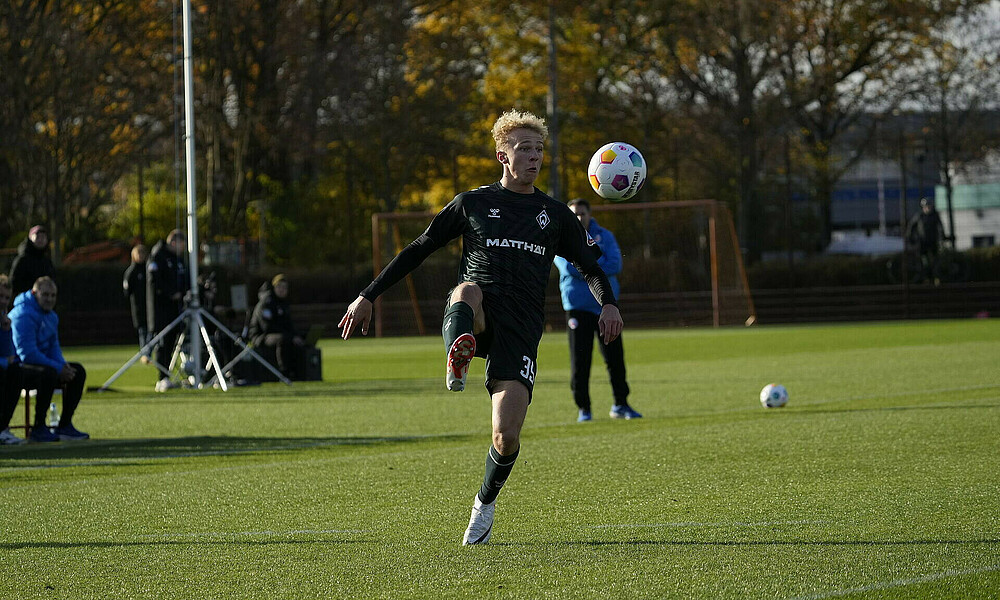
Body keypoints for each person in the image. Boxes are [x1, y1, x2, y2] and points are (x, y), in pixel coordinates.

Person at [338, 109, 623, 545]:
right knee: (466, 290)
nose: (534, 157)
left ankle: (484, 505)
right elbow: (418, 249)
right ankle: (458, 357)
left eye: (539, 149)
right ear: (501, 155)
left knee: (506, 436)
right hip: (481, 309)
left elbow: (592, 270)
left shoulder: (553, 214)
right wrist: (368, 295)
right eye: (524, 148)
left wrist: (608, 306)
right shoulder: (472, 202)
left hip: (522, 328)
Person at [554, 199, 640, 422]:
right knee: (580, 361)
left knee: (615, 359)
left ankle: (621, 404)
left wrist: (588, 266)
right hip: (578, 308)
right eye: (575, 214)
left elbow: (616, 264)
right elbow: (567, 267)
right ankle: (584, 408)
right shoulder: (561, 236)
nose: (579, 218)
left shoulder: (606, 236)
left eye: (582, 213)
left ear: (590, 214)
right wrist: (594, 266)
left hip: (606, 308)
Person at [9, 277, 88, 442]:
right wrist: (57, 368)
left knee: (77, 371)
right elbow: (27, 354)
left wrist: (63, 365)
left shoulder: (51, 316)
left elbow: (54, 347)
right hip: (17, 368)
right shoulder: (23, 314)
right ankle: (39, 427)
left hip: (42, 365)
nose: (50, 299)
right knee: (49, 373)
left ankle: (64, 425)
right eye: (45, 295)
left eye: (53, 295)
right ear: (34, 293)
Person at [147, 229, 189, 392]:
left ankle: (167, 375)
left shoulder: (176, 259)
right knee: (163, 344)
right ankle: (162, 378)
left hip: (175, 311)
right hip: (162, 311)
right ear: (174, 242)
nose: (183, 248)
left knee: (172, 344)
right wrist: (171, 293)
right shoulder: (159, 256)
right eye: (182, 244)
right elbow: (155, 282)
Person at [247, 274, 305, 379]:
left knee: (298, 339)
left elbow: (289, 324)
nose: (282, 290)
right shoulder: (266, 303)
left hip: (277, 335)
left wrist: (296, 335)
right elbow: (267, 327)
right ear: (274, 288)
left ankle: (299, 373)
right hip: (260, 337)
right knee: (282, 339)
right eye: (279, 287)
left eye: (285, 287)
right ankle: (283, 372)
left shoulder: (283, 303)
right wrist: (290, 336)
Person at [0, 276, 26, 445]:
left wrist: (6, 330)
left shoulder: (4, 318)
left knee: (16, 371)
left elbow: (9, 354)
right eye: (0, 296)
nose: (3, 301)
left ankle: (2, 427)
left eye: (6, 298)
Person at [906, 198, 946, 284]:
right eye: (926, 207)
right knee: (925, 262)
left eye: (929, 206)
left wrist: (942, 237)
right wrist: (910, 237)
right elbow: (911, 226)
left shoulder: (935, 216)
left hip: (933, 242)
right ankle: (926, 278)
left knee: (935, 261)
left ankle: (936, 277)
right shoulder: (919, 216)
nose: (928, 208)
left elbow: (940, 227)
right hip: (923, 243)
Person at [9, 224, 56, 297]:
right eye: (37, 237)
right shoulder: (23, 259)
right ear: (30, 238)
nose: (40, 240)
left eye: (43, 237)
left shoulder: (47, 261)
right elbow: (14, 283)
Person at [123, 244, 150, 361]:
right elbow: (127, 290)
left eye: (142, 253)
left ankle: (148, 351)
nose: (140, 256)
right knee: (142, 330)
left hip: (149, 306)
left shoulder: (148, 269)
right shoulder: (131, 272)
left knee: (151, 329)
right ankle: (145, 352)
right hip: (139, 307)